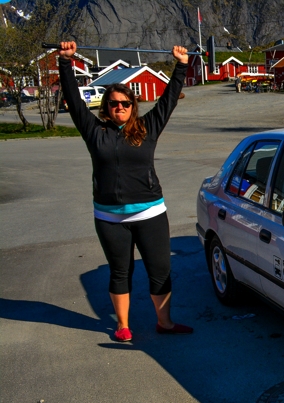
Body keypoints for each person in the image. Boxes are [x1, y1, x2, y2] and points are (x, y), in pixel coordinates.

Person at [58, 41, 193, 342]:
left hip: (150, 213)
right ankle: (122, 326)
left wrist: (182, 65)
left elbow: (169, 98)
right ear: (105, 108)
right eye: (113, 103)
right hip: (109, 217)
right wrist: (65, 62)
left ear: (133, 106)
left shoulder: (148, 127)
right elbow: (73, 100)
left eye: (125, 103)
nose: (119, 107)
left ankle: (165, 322)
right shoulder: (94, 132)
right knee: (120, 272)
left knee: (159, 270)